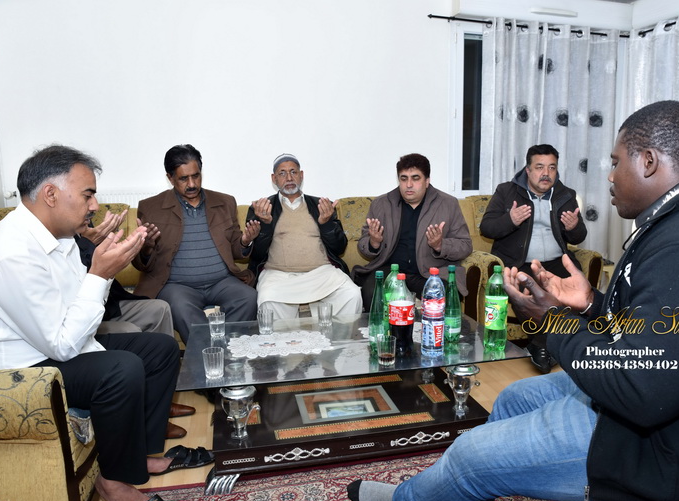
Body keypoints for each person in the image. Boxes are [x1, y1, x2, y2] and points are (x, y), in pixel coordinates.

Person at [346, 101, 679, 501]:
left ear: (648, 162)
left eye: (615, 162)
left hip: (653, 448)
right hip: (648, 407)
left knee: (470, 454)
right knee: (512, 399)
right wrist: (592, 305)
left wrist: (554, 321)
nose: (610, 176)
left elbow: (641, 387)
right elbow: (659, 333)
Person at [0, 146, 214, 501]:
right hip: (21, 369)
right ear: (51, 194)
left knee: (160, 349)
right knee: (121, 368)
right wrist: (100, 273)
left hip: (49, 345)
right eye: (87, 195)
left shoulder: (62, 239)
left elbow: (79, 316)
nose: (95, 205)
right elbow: (62, 344)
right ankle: (115, 486)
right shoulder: (8, 253)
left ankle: (140, 455)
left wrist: (102, 266)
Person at [76, 217, 195, 439]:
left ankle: (161, 401)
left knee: (159, 309)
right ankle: (144, 410)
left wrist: (95, 243)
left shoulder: (80, 227)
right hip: (84, 312)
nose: (92, 206)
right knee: (128, 330)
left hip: (109, 302)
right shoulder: (53, 236)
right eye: (86, 199)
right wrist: (89, 244)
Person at [132, 144, 258, 343]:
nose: (192, 184)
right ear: (170, 178)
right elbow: (141, 264)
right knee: (180, 307)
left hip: (221, 282)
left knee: (248, 297)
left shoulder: (225, 202)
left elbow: (235, 249)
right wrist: (146, 247)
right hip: (177, 286)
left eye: (196, 176)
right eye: (184, 178)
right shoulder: (151, 207)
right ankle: (207, 353)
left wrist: (245, 240)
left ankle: (227, 349)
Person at [480, 144, 587, 373]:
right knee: (526, 293)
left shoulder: (566, 195)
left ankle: (542, 344)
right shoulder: (507, 191)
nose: (546, 173)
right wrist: (510, 220)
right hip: (520, 263)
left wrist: (574, 227)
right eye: (539, 167)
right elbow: (486, 227)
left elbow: (579, 236)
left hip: (557, 262)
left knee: (579, 291)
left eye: (551, 167)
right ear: (528, 170)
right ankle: (546, 346)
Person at [246, 153, 362, 319]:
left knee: (351, 294)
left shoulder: (321, 205)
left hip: (321, 274)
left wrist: (326, 223)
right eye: (282, 173)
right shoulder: (262, 208)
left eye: (293, 172)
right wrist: (265, 224)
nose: (289, 178)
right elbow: (256, 254)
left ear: (301, 175)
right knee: (267, 301)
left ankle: (336, 336)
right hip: (278, 276)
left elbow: (339, 248)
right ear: (274, 178)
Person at [352, 153, 472, 309]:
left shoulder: (448, 204)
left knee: (442, 297)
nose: (409, 185)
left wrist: (440, 245)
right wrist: (373, 243)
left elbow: (465, 245)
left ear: (427, 181)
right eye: (404, 179)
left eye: (415, 178)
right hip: (391, 272)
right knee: (372, 294)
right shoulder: (381, 204)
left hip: (431, 273)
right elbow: (363, 245)